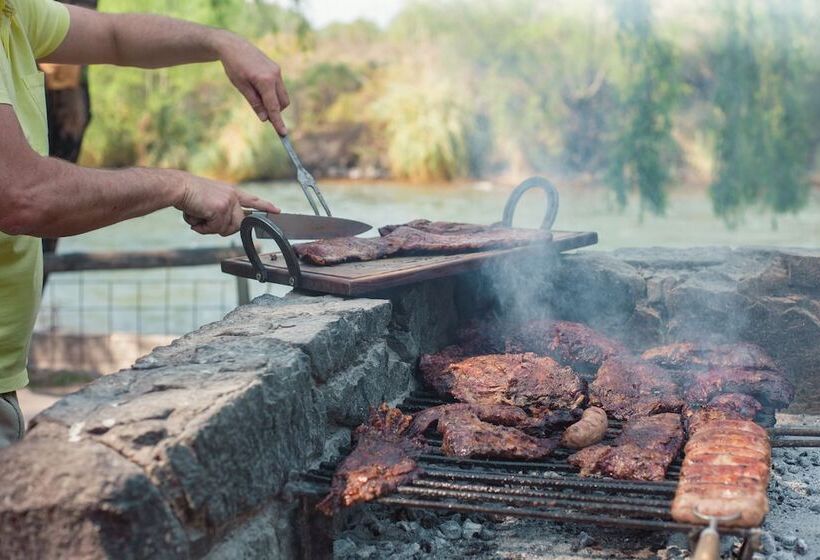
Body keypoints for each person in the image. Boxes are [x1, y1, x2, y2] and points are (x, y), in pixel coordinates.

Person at [0, 0, 290, 448]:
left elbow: (115, 35)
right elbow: (23, 195)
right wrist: (176, 186)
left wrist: (222, 42)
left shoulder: (13, 11)